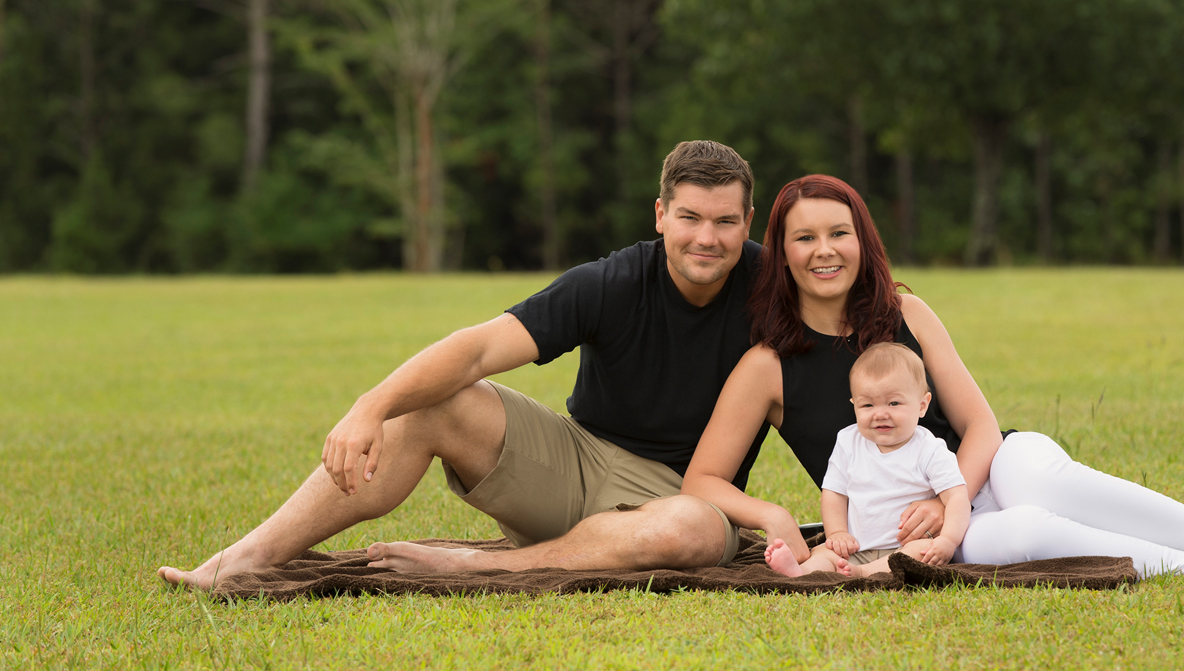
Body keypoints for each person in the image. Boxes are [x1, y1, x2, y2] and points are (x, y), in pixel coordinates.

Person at [157, 140, 770, 589]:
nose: (705, 238)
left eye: (724, 222)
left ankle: (478, 567)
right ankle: (242, 561)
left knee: (689, 529)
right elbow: (478, 348)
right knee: (437, 401)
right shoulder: (610, 282)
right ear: (660, 214)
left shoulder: (774, 293)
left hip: (689, 497)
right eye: (689, 217)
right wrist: (369, 406)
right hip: (578, 463)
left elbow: (840, 392)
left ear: (748, 222)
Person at [683, 174, 1184, 579]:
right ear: (781, 251)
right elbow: (702, 478)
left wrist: (946, 500)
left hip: (979, 474)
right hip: (921, 530)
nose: (824, 251)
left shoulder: (908, 312)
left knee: (1035, 478)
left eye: (839, 233)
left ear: (863, 241)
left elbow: (980, 425)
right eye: (804, 238)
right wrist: (769, 512)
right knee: (1025, 532)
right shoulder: (767, 366)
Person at [763, 342, 970, 578]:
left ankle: (861, 573)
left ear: (922, 405)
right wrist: (837, 533)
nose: (880, 413)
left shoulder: (929, 449)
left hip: (903, 547)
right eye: (867, 405)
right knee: (825, 552)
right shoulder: (848, 442)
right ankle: (800, 572)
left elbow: (956, 498)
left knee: (920, 553)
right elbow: (833, 493)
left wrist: (948, 540)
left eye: (894, 403)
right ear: (854, 406)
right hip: (857, 546)